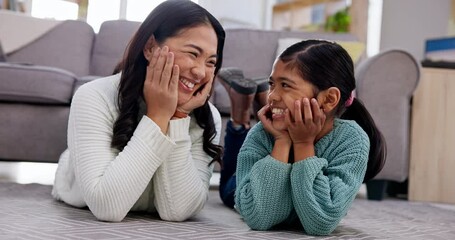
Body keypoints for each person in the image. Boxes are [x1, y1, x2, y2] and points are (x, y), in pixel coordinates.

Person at [52, 0, 225, 222]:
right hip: (79, 185)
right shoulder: (93, 95)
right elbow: (107, 207)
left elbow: (178, 211)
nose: (200, 72)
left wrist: (177, 116)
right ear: (151, 47)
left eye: (211, 62)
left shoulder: (207, 115)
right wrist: (158, 115)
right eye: (192, 53)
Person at [219, 39, 386, 235]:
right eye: (271, 84)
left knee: (229, 188)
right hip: (252, 180)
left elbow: (320, 223)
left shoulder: (352, 140)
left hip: (267, 173)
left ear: (329, 99)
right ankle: (240, 119)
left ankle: (243, 115)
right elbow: (259, 218)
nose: (272, 96)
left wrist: (303, 144)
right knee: (228, 190)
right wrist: (281, 141)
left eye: (286, 85)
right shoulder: (263, 133)